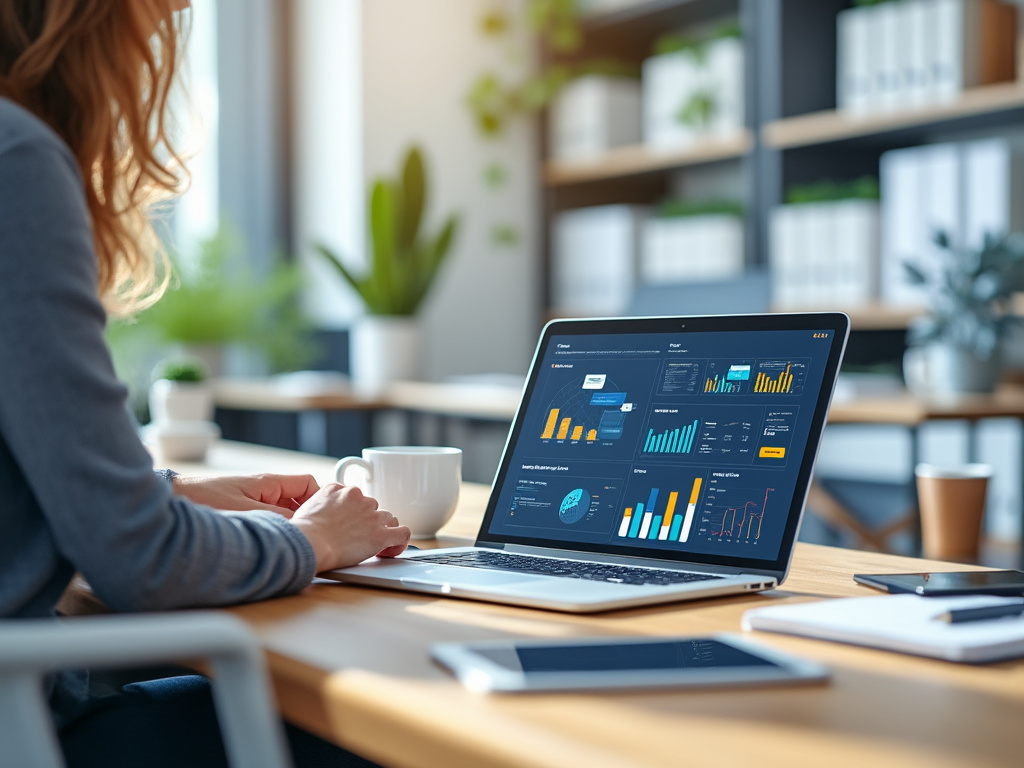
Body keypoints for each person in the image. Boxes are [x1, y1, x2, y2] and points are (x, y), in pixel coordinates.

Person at [0, 1, 410, 765]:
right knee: (389, 725)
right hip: (26, 731)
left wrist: (177, 491)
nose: (169, 29)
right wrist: (313, 539)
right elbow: (142, 563)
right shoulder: (14, 159)